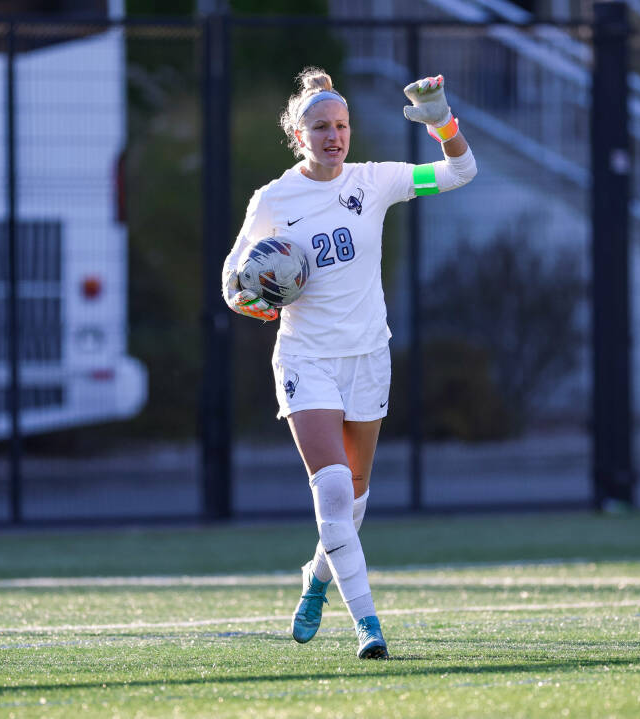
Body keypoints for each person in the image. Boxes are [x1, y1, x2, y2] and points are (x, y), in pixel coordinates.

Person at [220, 68, 476, 659]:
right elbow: (232, 283)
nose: (333, 135)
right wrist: (253, 302)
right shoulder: (274, 199)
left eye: (341, 125)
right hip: (306, 357)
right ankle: (369, 626)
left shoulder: (376, 181)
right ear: (297, 133)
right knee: (333, 491)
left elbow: (462, 171)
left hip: (368, 357)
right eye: (320, 127)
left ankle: (315, 581)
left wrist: (442, 120)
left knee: (354, 500)